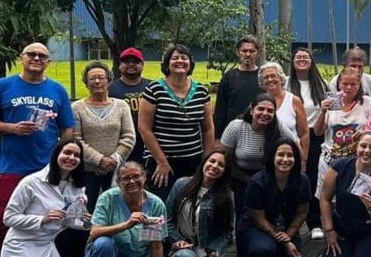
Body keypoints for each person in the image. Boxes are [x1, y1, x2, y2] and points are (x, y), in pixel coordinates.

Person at [0, 42, 75, 257]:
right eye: (31, 54)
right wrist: (13, 128)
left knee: (53, 218)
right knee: (5, 218)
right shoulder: (3, 86)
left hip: (46, 168)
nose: (37, 58)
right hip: (13, 165)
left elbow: (67, 128)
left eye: (42, 55)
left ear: (48, 62)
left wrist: (62, 154)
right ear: (22, 58)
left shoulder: (57, 90)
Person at [0, 138, 90, 257]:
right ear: (56, 155)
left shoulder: (77, 187)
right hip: (23, 247)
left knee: (85, 235)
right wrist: (42, 219)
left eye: (77, 155)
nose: (71, 158)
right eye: (67, 153)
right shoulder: (31, 182)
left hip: (49, 244)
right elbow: (8, 217)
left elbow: (69, 222)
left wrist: (86, 222)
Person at [220, 93, 295, 257]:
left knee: (269, 214)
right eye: (261, 109)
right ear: (252, 110)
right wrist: (250, 181)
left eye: (270, 111)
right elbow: (225, 159)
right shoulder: (237, 127)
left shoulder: (278, 128)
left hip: (269, 178)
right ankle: (244, 256)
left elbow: (294, 147)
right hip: (240, 175)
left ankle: (267, 253)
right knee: (243, 215)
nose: (265, 114)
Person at [85, 161, 168, 257]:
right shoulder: (108, 198)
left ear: (144, 177)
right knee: (104, 242)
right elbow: (94, 232)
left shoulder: (155, 204)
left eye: (136, 176)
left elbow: (156, 246)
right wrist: (126, 224)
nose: (132, 181)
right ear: (118, 182)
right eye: (126, 178)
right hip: (101, 254)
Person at [137, 43, 214, 202]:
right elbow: (144, 128)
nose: (180, 61)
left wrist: (207, 159)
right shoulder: (154, 89)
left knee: (189, 205)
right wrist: (161, 162)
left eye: (184, 58)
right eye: (175, 58)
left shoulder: (201, 91)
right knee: (163, 204)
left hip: (192, 161)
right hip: (162, 161)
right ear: (167, 63)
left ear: (190, 63)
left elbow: (208, 128)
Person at [164, 148, 234, 257]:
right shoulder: (181, 184)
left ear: (225, 171)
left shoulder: (226, 195)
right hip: (185, 246)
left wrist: (214, 255)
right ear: (204, 162)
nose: (215, 166)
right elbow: (167, 218)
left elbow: (227, 231)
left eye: (221, 165)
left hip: (210, 248)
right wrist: (176, 240)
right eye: (212, 161)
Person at [239, 138, 310, 257]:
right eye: (280, 155)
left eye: (290, 155)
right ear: (272, 157)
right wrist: (286, 242)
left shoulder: (302, 180)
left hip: (287, 229)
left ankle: (278, 255)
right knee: (262, 249)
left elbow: (302, 212)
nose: (285, 159)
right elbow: (259, 219)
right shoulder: (257, 182)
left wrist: (289, 235)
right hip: (258, 228)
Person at [73, 61, 136, 211]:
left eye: (101, 77)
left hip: (116, 171)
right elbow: (76, 139)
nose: (97, 81)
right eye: (92, 78)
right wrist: (99, 160)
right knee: (87, 210)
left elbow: (129, 137)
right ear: (86, 83)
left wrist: (112, 160)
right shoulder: (77, 108)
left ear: (109, 81)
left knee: (116, 210)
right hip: (88, 171)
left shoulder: (122, 106)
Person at [313, 66, 371, 197]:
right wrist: (322, 112)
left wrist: (366, 131)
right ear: (339, 85)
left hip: (356, 161)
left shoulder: (367, 102)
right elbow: (318, 132)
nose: (348, 88)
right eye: (345, 84)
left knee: (354, 197)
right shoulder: (332, 102)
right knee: (327, 197)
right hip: (330, 159)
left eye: (353, 84)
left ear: (359, 85)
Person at [289, 47, 329, 239]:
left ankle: (314, 222)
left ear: (312, 61)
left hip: (316, 134)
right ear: (292, 61)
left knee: (312, 178)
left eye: (306, 57)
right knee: (292, 177)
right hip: (291, 135)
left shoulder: (321, 85)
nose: (302, 59)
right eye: (298, 57)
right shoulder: (287, 84)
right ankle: (291, 221)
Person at [258, 61, 309, 163]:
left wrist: (303, 160)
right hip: (265, 157)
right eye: (266, 77)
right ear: (262, 82)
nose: (270, 79)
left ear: (281, 78)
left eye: (273, 76)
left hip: (290, 157)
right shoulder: (258, 102)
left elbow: (304, 133)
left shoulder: (294, 101)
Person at [212, 35, 262, 138]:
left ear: (258, 53)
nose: (247, 54)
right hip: (232, 133)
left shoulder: (264, 77)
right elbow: (220, 110)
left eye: (252, 51)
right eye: (244, 51)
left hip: (260, 131)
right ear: (238, 52)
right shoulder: (229, 77)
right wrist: (217, 137)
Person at [108, 47, 151, 164]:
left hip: (147, 144)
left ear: (142, 65)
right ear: (119, 65)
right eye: (126, 61)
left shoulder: (152, 87)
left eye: (135, 62)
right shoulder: (110, 89)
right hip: (121, 144)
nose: (131, 65)